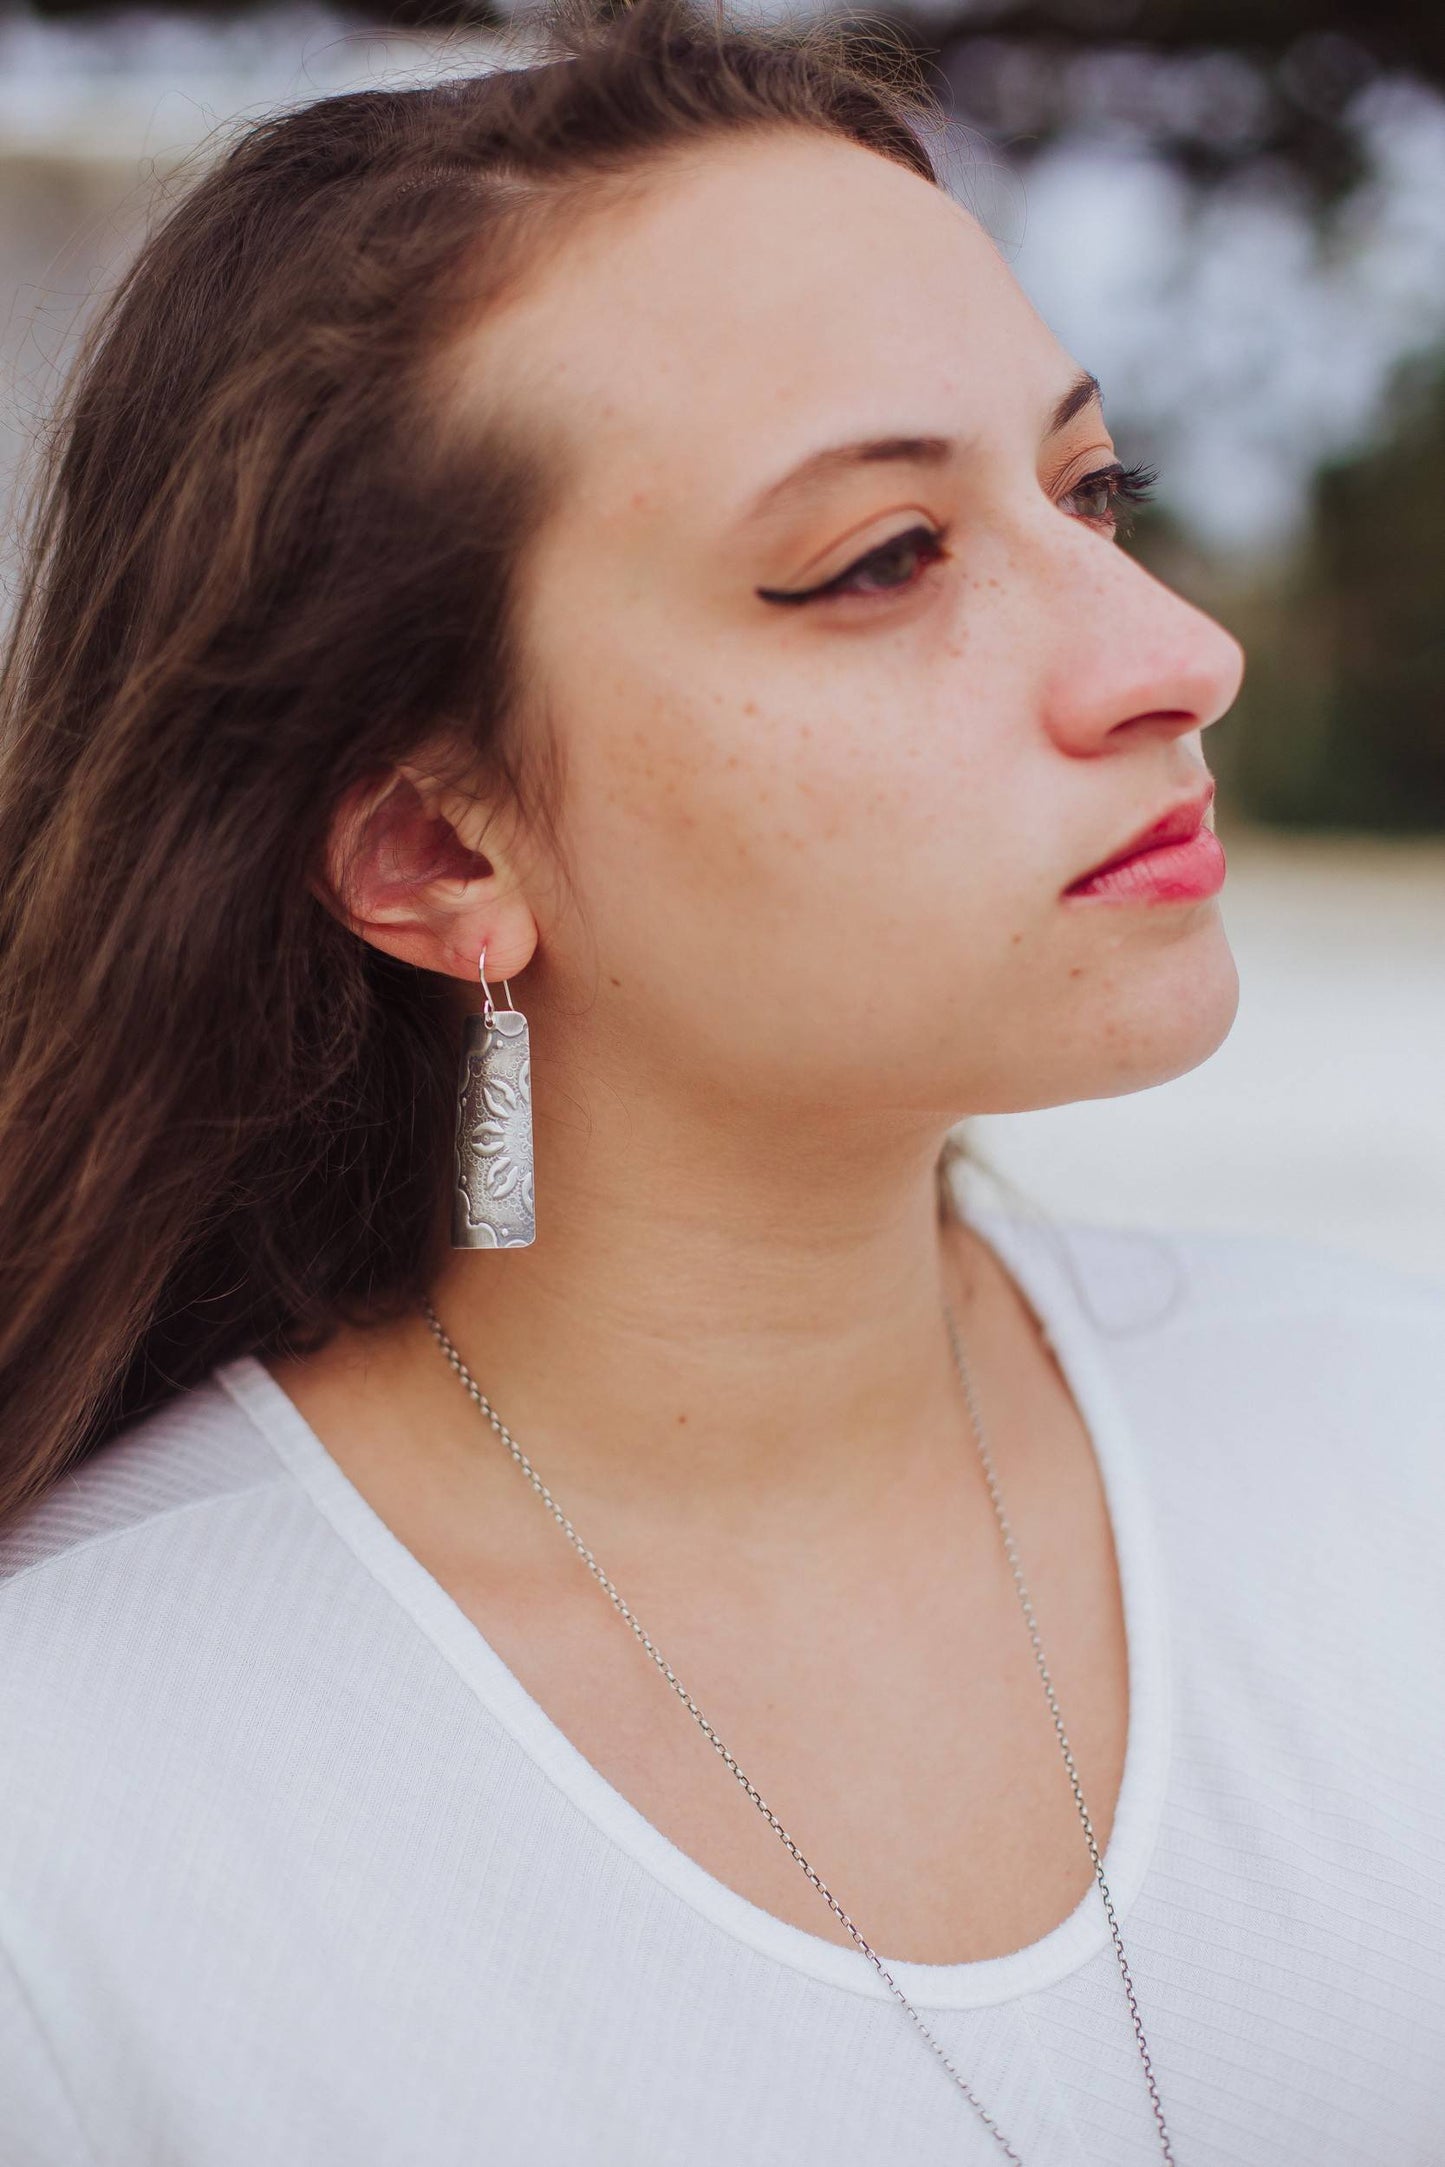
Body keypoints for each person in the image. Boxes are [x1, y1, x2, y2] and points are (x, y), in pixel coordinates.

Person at [0, 1, 1441, 2160]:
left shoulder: (1390, 1440)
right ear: (437, 850)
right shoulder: (80, 1814)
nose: (1175, 652)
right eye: (882, 559)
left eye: (1088, 490)